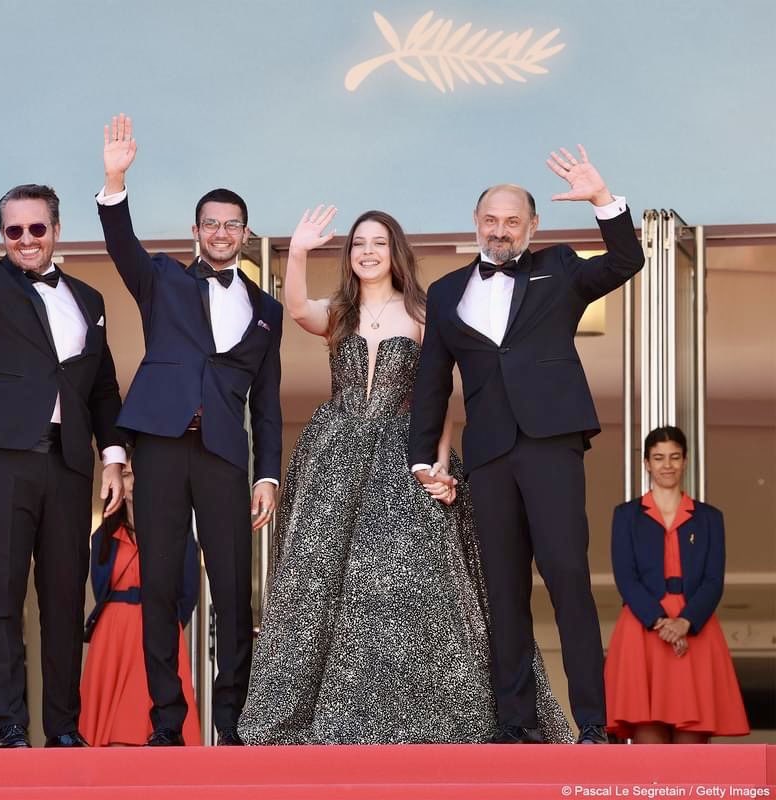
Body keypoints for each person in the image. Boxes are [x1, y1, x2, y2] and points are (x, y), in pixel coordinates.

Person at [238, 207, 571, 744]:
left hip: (403, 454)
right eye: (358, 244)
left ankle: (431, 717)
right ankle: (316, 716)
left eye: (379, 242)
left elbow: (437, 397)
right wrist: (296, 252)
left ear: (396, 252)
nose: (368, 252)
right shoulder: (339, 312)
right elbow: (296, 307)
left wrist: (437, 463)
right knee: (315, 582)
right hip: (333, 457)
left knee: (409, 583)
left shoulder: (423, 312)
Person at [409, 146, 646, 744]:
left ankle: (592, 722)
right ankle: (516, 724)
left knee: (567, 577)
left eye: (512, 220)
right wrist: (422, 458)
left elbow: (626, 259)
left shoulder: (559, 267)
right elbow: (433, 381)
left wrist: (602, 199)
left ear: (532, 226)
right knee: (503, 589)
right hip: (488, 453)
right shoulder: (445, 292)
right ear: (476, 222)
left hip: (550, 443)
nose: (501, 230)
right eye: (491, 219)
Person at [97, 115, 283, 746]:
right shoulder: (162, 279)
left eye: (232, 224)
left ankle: (232, 725)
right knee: (159, 584)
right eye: (211, 224)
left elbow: (268, 402)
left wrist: (267, 474)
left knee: (233, 590)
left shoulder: (267, 311)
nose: (221, 233)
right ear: (196, 232)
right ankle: (167, 723)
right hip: (160, 445)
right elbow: (120, 245)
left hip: (225, 454)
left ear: (245, 234)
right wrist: (115, 181)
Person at [0, 166, 127, 748]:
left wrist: (113, 458)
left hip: (68, 465)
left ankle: (62, 728)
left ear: (56, 230)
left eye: (37, 228)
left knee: (64, 601)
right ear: (2, 236)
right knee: (2, 595)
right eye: (13, 231)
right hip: (2, 461)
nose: (26, 239)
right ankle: (11, 726)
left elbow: (102, 388)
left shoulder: (89, 299)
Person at [604, 426, 749, 743]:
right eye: (658, 458)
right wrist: (661, 623)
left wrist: (684, 623)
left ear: (685, 461)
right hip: (643, 629)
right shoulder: (626, 515)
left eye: (674, 457)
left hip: (695, 627)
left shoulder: (709, 517)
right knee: (648, 745)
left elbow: (714, 580)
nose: (667, 465)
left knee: (692, 749)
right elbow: (626, 577)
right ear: (646, 463)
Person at [80, 457, 203, 746]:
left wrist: (168, 623)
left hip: (159, 628)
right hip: (114, 634)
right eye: (126, 474)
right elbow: (100, 588)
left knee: (152, 728)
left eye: (139, 474)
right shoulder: (103, 536)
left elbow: (188, 592)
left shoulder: (178, 532)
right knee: (110, 733)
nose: (133, 482)